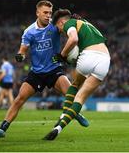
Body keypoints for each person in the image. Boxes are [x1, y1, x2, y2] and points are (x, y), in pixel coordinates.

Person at [0, 0, 89, 138]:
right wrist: (21, 56)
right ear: (37, 13)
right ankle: (2, 129)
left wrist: (76, 21)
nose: (48, 15)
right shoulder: (29, 32)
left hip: (54, 70)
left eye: (50, 13)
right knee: (19, 99)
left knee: (71, 93)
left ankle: (76, 114)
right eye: (45, 12)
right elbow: (23, 50)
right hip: (36, 73)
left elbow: (69, 27)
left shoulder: (55, 26)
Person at [43, 9, 111, 140]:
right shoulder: (86, 23)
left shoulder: (69, 23)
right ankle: (59, 128)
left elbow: (73, 39)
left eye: (59, 28)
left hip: (88, 55)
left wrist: (62, 55)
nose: (61, 32)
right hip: (105, 59)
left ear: (62, 22)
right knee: (81, 97)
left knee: (74, 85)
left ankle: (63, 116)